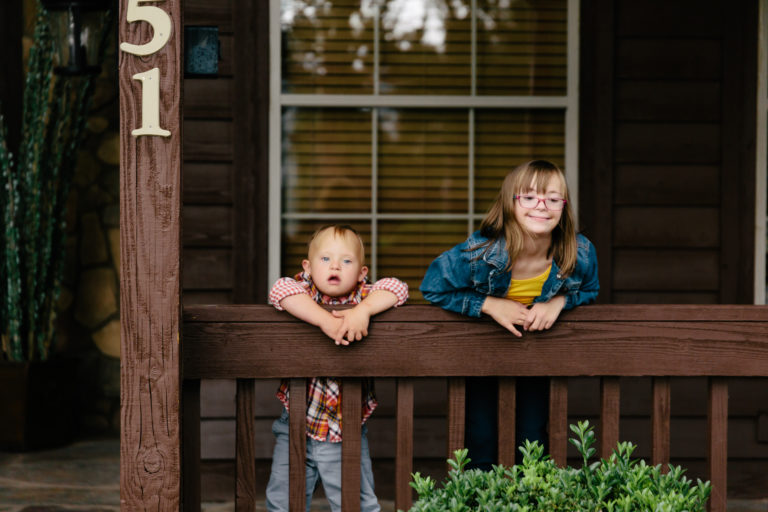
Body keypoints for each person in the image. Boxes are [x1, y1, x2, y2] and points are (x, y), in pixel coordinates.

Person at [419, 159, 598, 470]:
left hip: (536, 357)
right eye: (529, 197)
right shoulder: (481, 253)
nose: (541, 207)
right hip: (483, 355)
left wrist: (558, 302)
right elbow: (432, 287)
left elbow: (590, 289)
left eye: (553, 199)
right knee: (481, 439)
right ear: (510, 203)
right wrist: (488, 304)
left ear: (563, 206)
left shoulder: (578, 252)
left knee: (532, 441)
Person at [266, 224, 409, 512]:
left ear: (361, 273)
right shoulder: (303, 292)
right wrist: (325, 320)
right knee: (281, 503)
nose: (335, 266)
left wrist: (363, 311)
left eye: (346, 261)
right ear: (307, 267)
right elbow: (279, 288)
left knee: (357, 504)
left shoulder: (363, 297)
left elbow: (398, 287)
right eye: (325, 259)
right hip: (295, 425)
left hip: (346, 429)